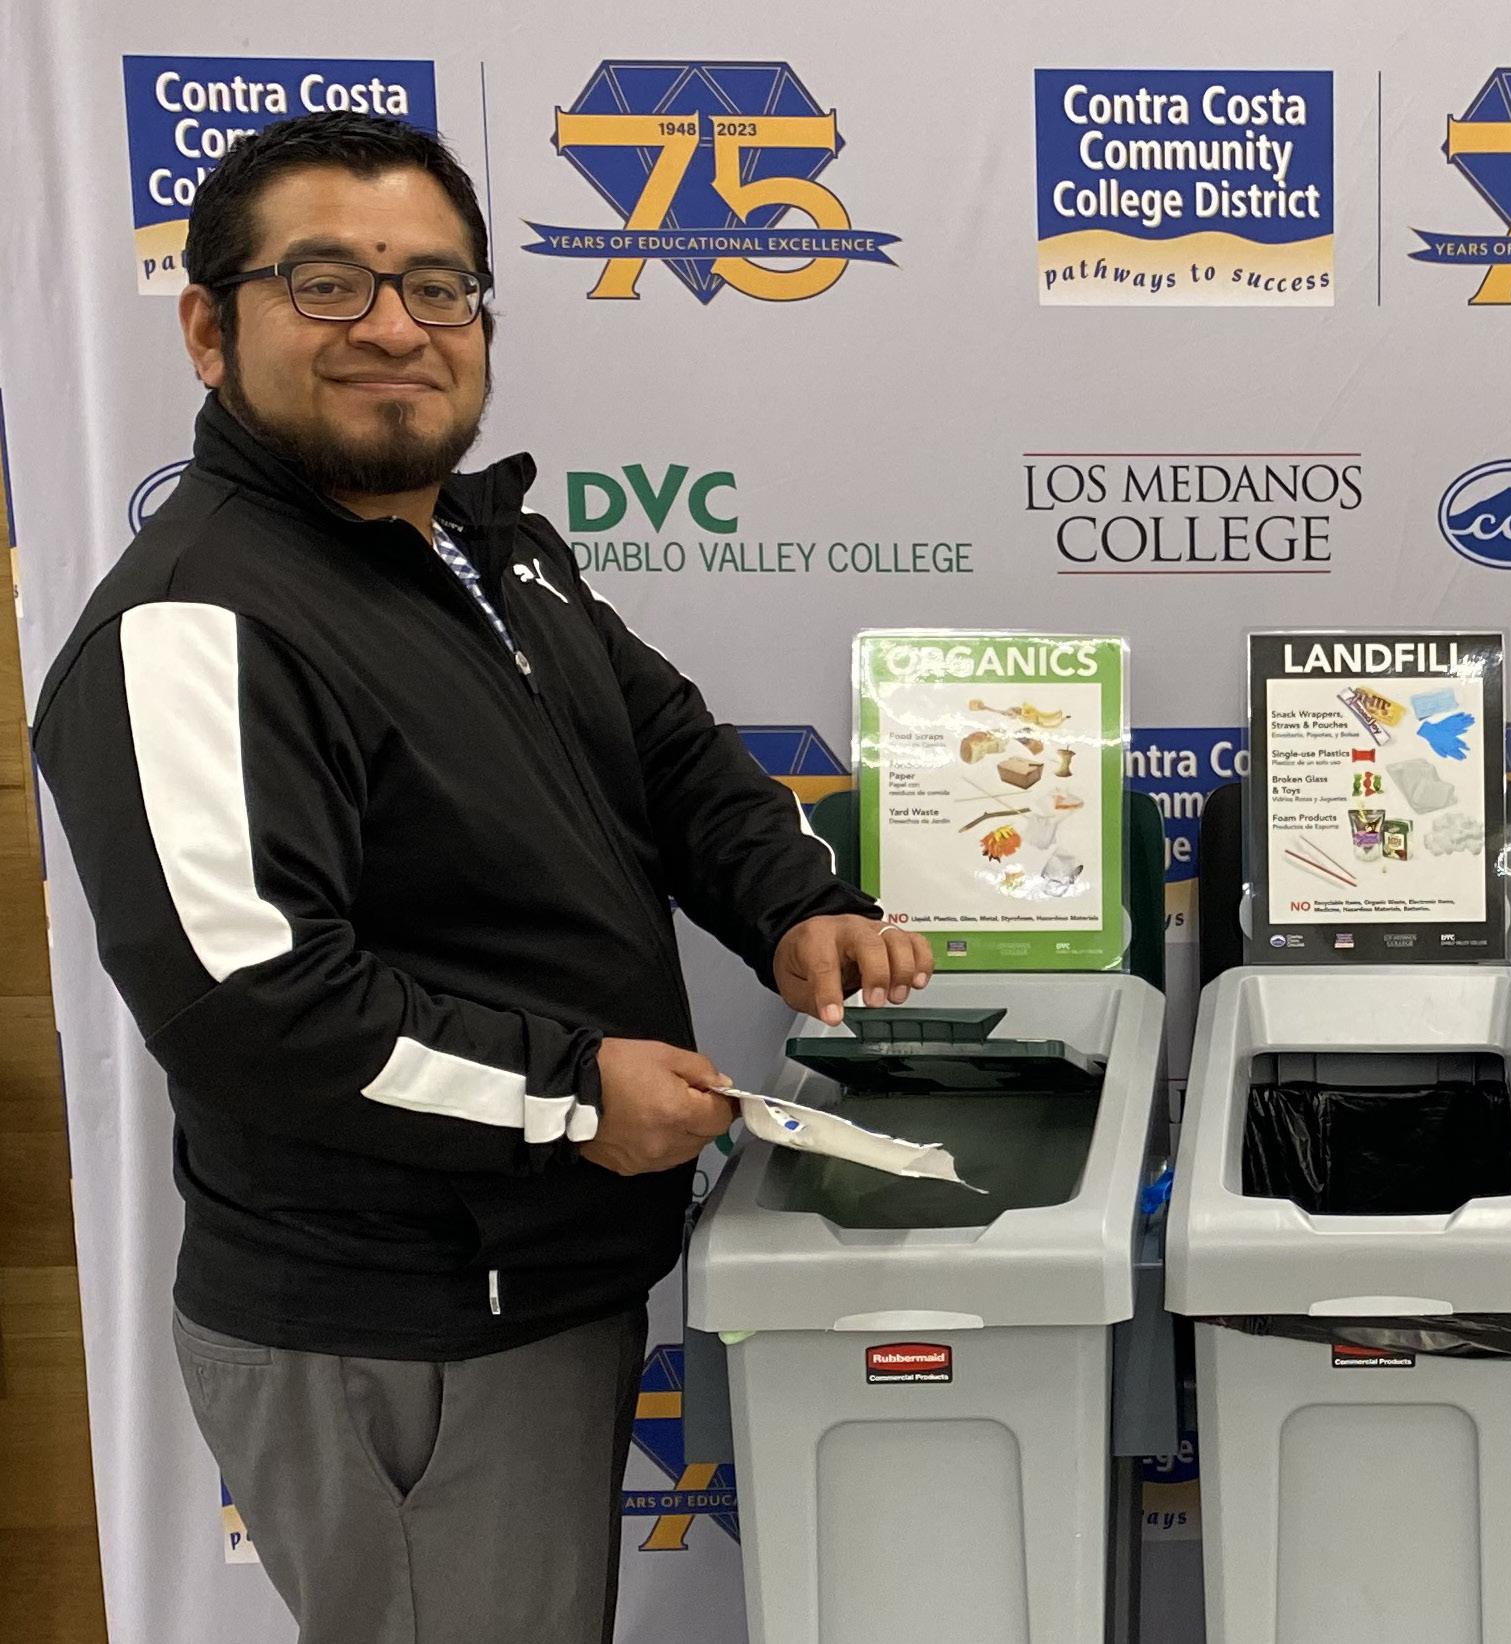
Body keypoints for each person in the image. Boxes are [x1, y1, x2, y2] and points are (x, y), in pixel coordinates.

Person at [32, 111, 935, 1644]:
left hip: (536, 1277)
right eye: (327, 283)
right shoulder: (195, 625)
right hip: (404, 1321)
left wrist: (793, 903)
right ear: (208, 328)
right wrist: (574, 1094)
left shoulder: (477, 544)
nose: (394, 327)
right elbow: (256, 1008)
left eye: (436, 286)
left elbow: (660, 745)